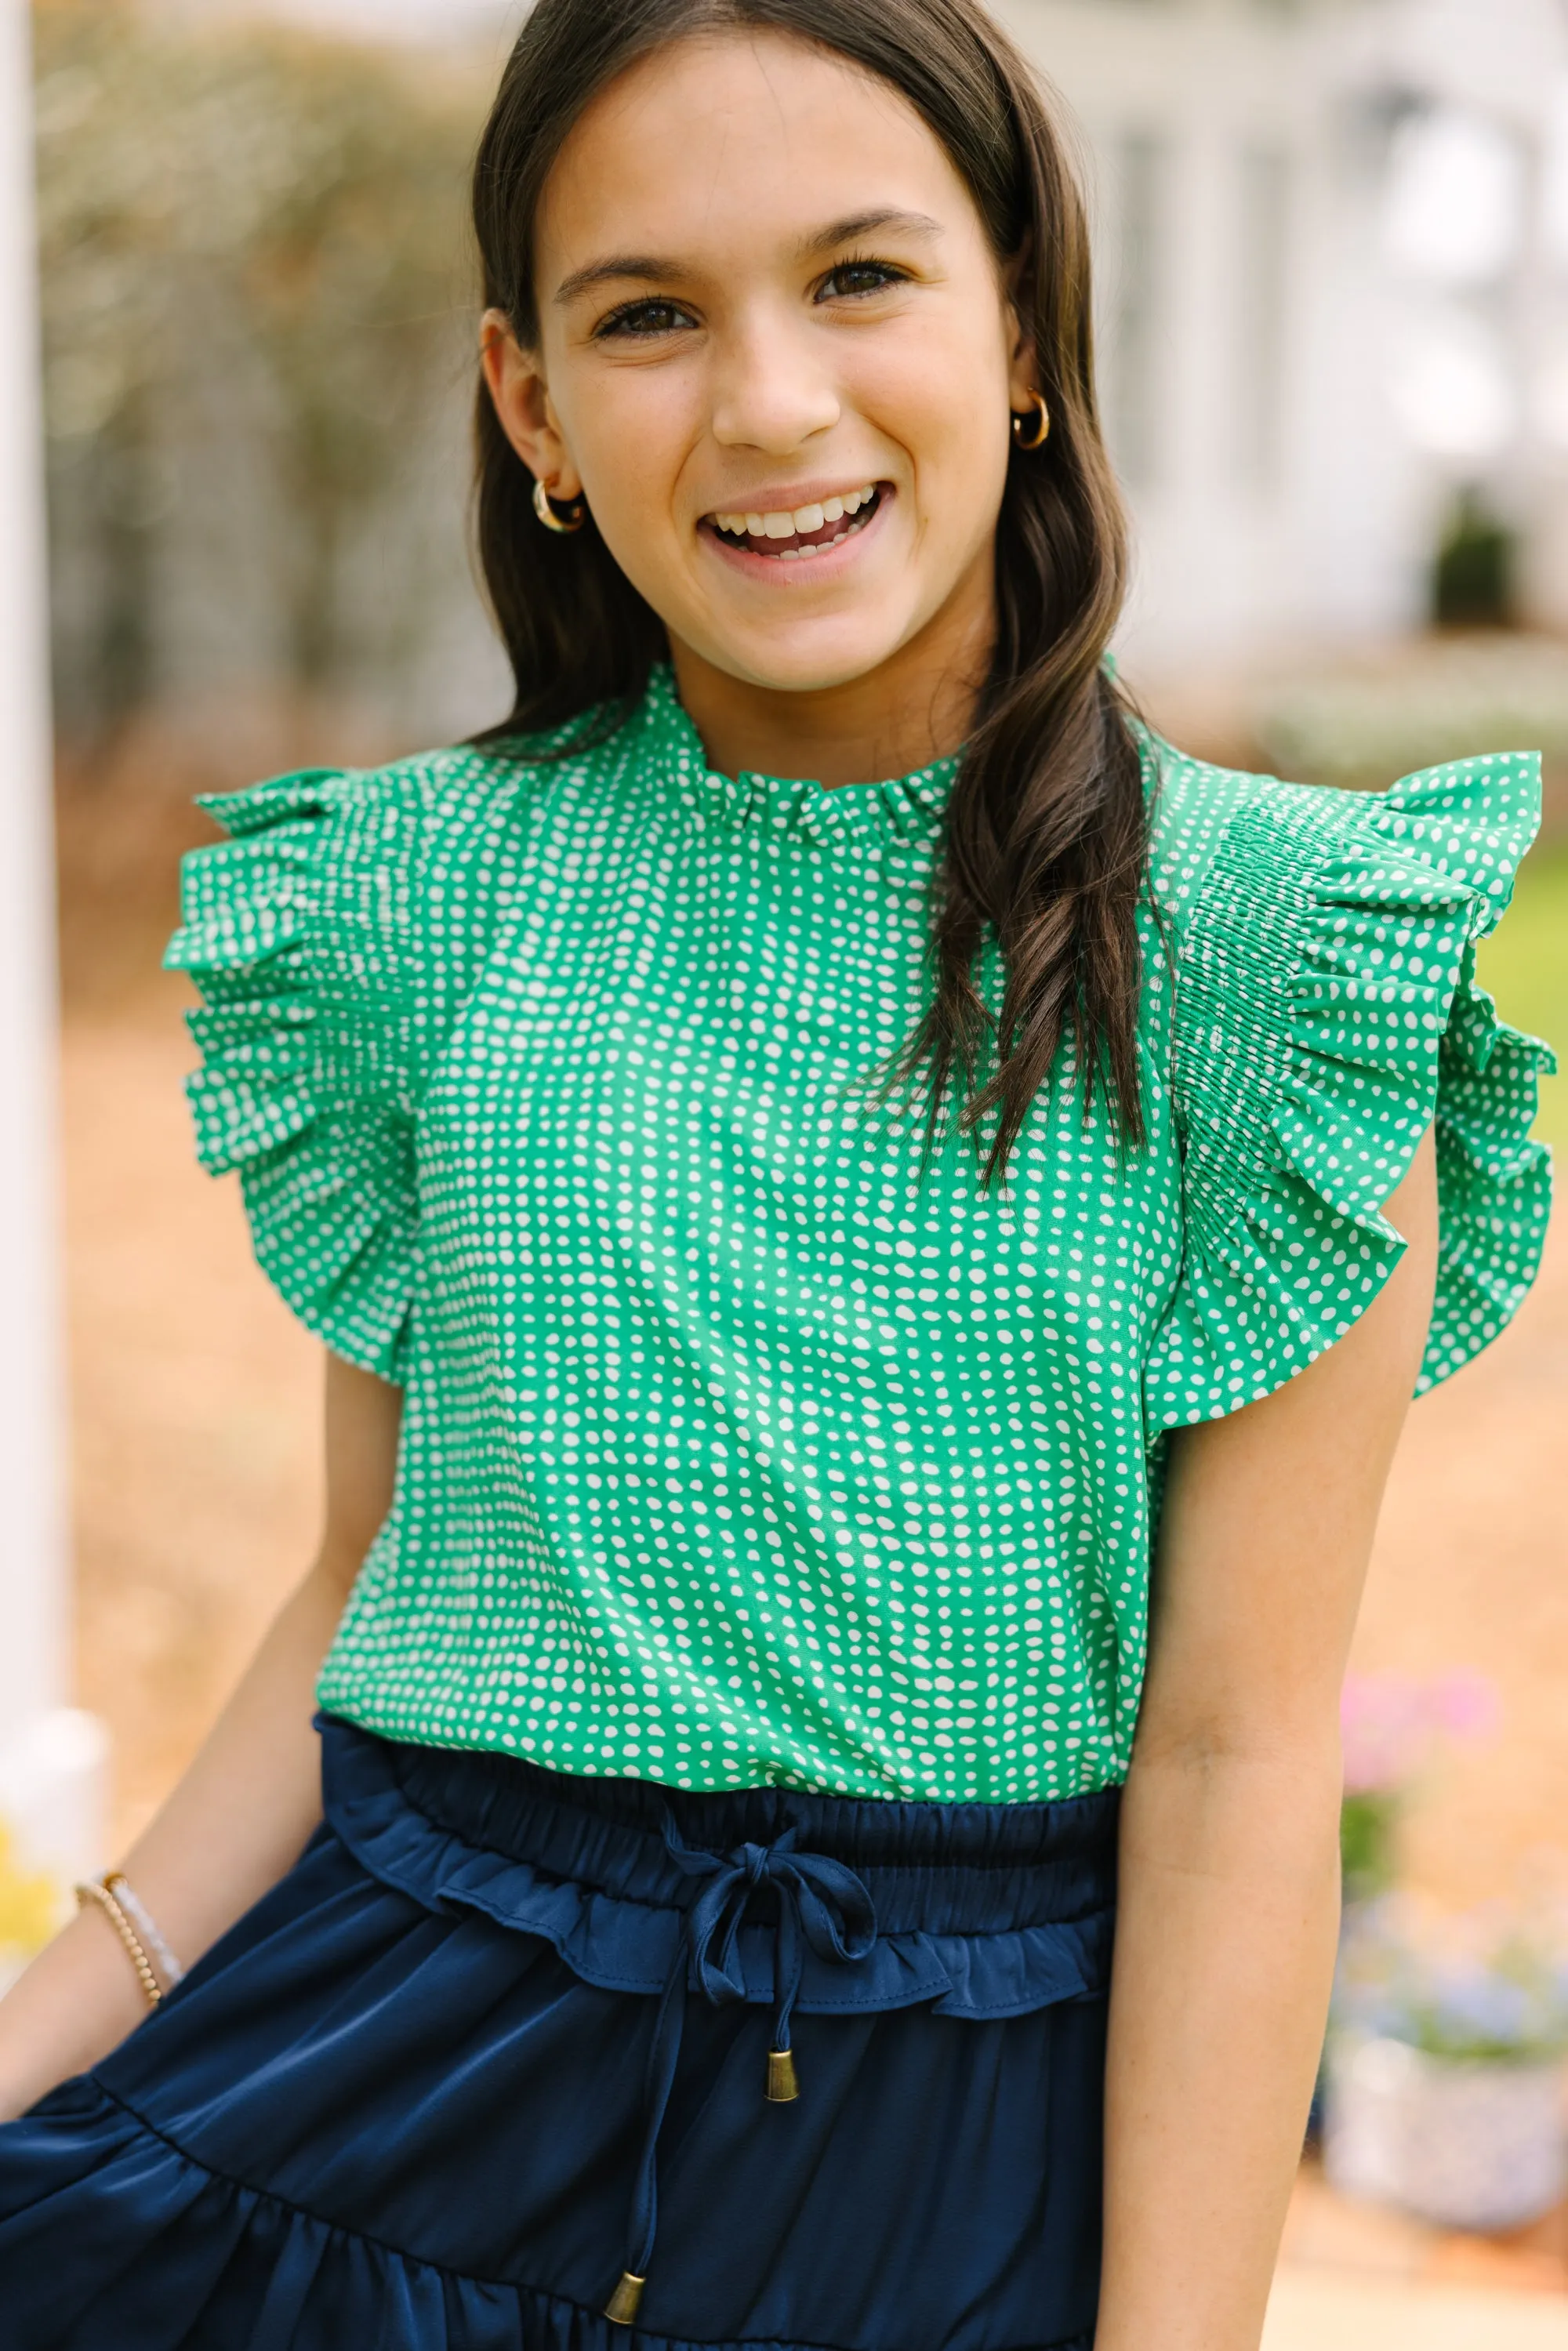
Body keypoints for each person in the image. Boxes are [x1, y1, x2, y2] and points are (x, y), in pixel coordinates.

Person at [0, 2, 1552, 2345]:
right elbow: (365, 1574)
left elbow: (1236, 1775)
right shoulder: (417, 901)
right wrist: (59, 2008)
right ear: (531, 405)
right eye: (648, 314)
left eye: (859, 278)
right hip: (386, 2096)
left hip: (941, 2187)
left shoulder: (1272, 955)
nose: (768, 405)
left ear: (1022, 321)